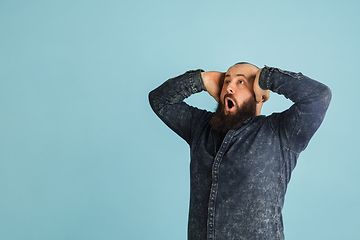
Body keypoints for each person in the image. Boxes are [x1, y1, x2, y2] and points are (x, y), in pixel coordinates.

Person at [148, 62, 331, 240]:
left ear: (260, 95)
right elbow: (160, 101)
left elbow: (318, 97)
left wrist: (267, 77)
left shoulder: (281, 133)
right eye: (226, 81)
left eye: (241, 82)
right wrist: (202, 79)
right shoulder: (200, 127)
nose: (229, 88)